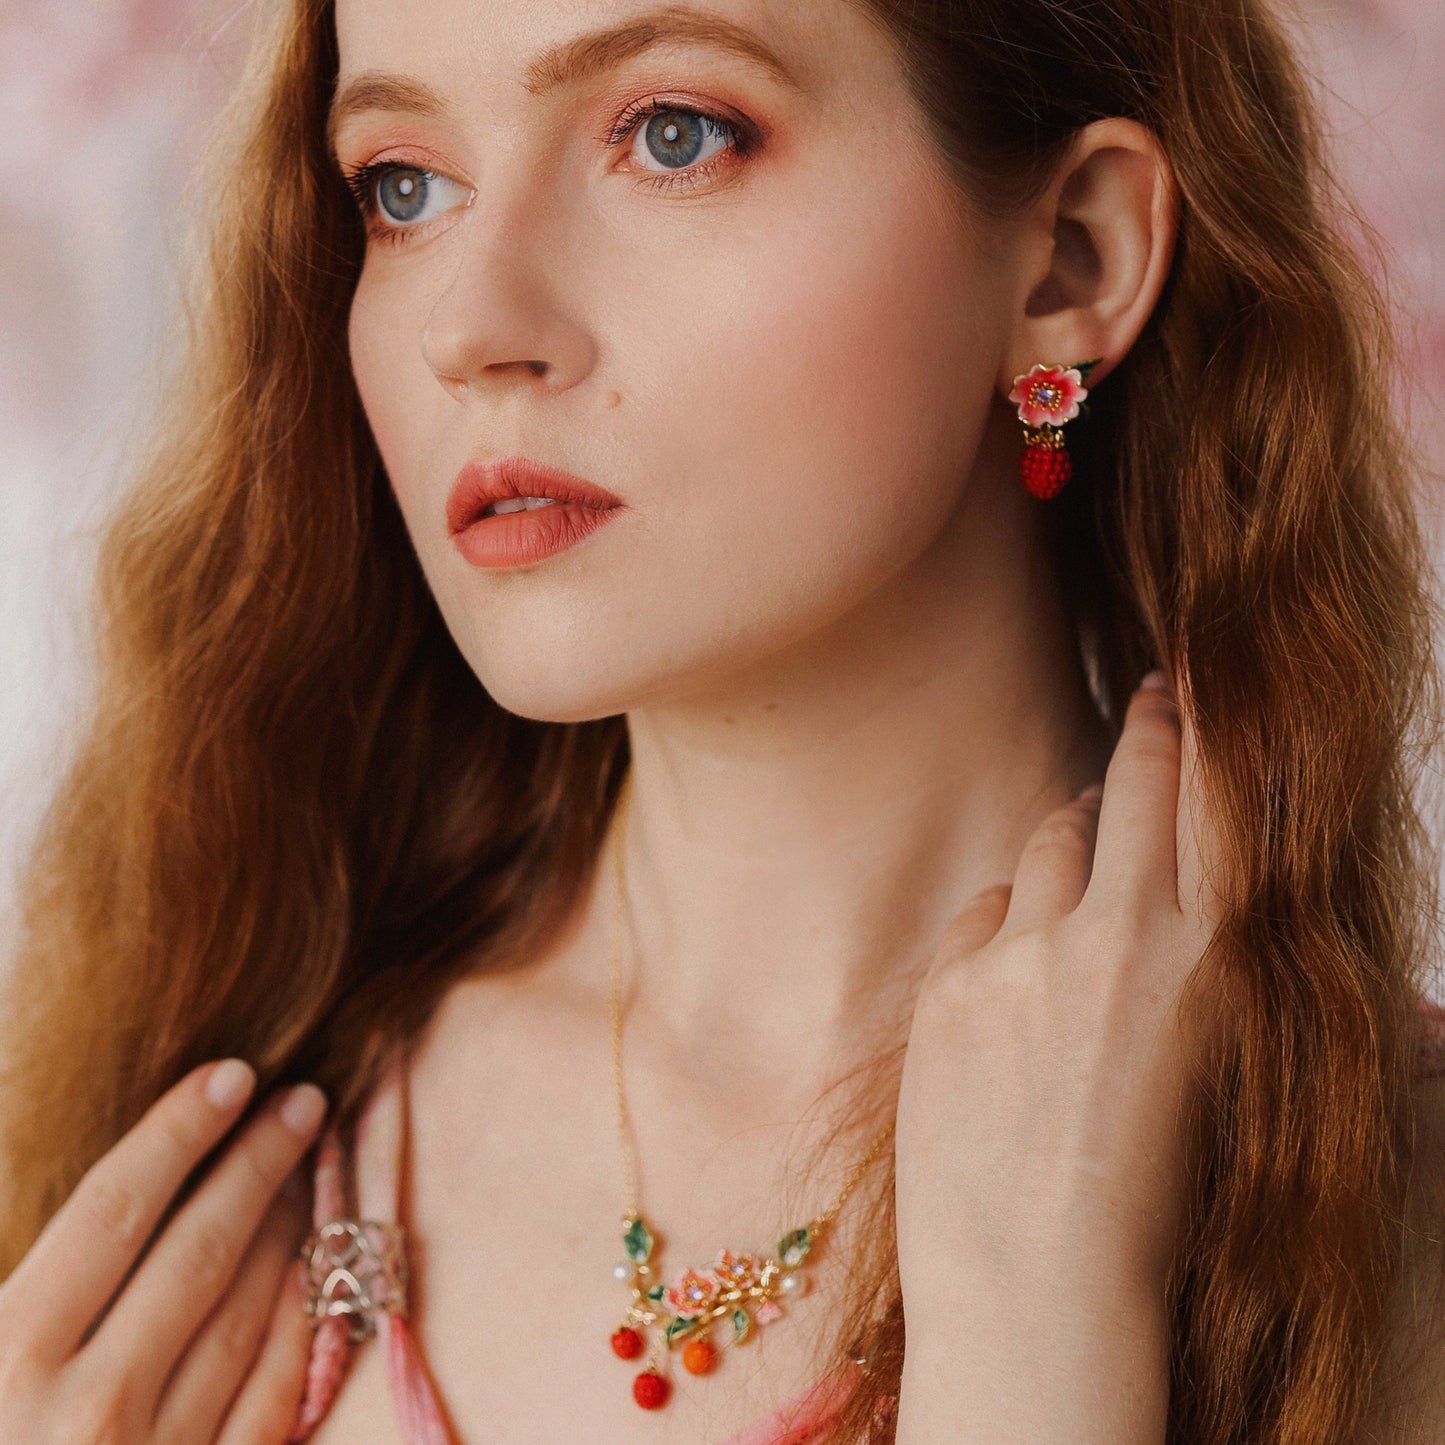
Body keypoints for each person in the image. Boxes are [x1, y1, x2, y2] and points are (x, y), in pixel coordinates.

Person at [2, 0, 1444, 1439]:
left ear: (1072, 255)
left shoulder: (1389, 1210)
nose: (470, 323)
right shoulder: (195, 1141)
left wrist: (1040, 1321)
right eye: (404, 185)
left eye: (672, 136)